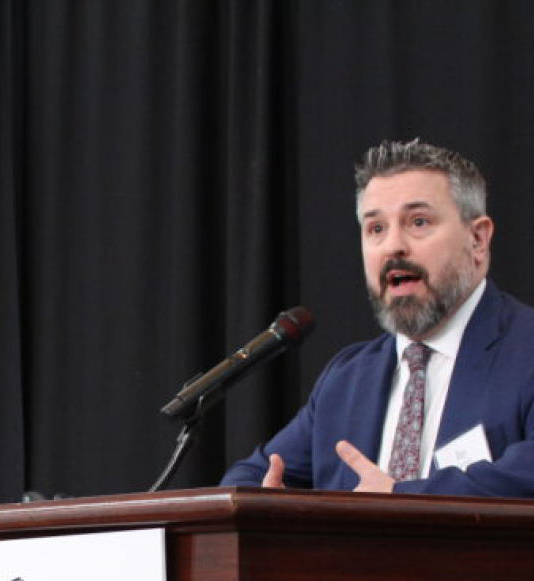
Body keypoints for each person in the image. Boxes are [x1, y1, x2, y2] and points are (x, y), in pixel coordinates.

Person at [222, 139, 534, 497]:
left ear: (477, 239)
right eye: (376, 229)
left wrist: (402, 498)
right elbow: (249, 477)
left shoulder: (525, 351)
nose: (393, 246)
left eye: (418, 222)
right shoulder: (346, 379)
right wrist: (265, 508)